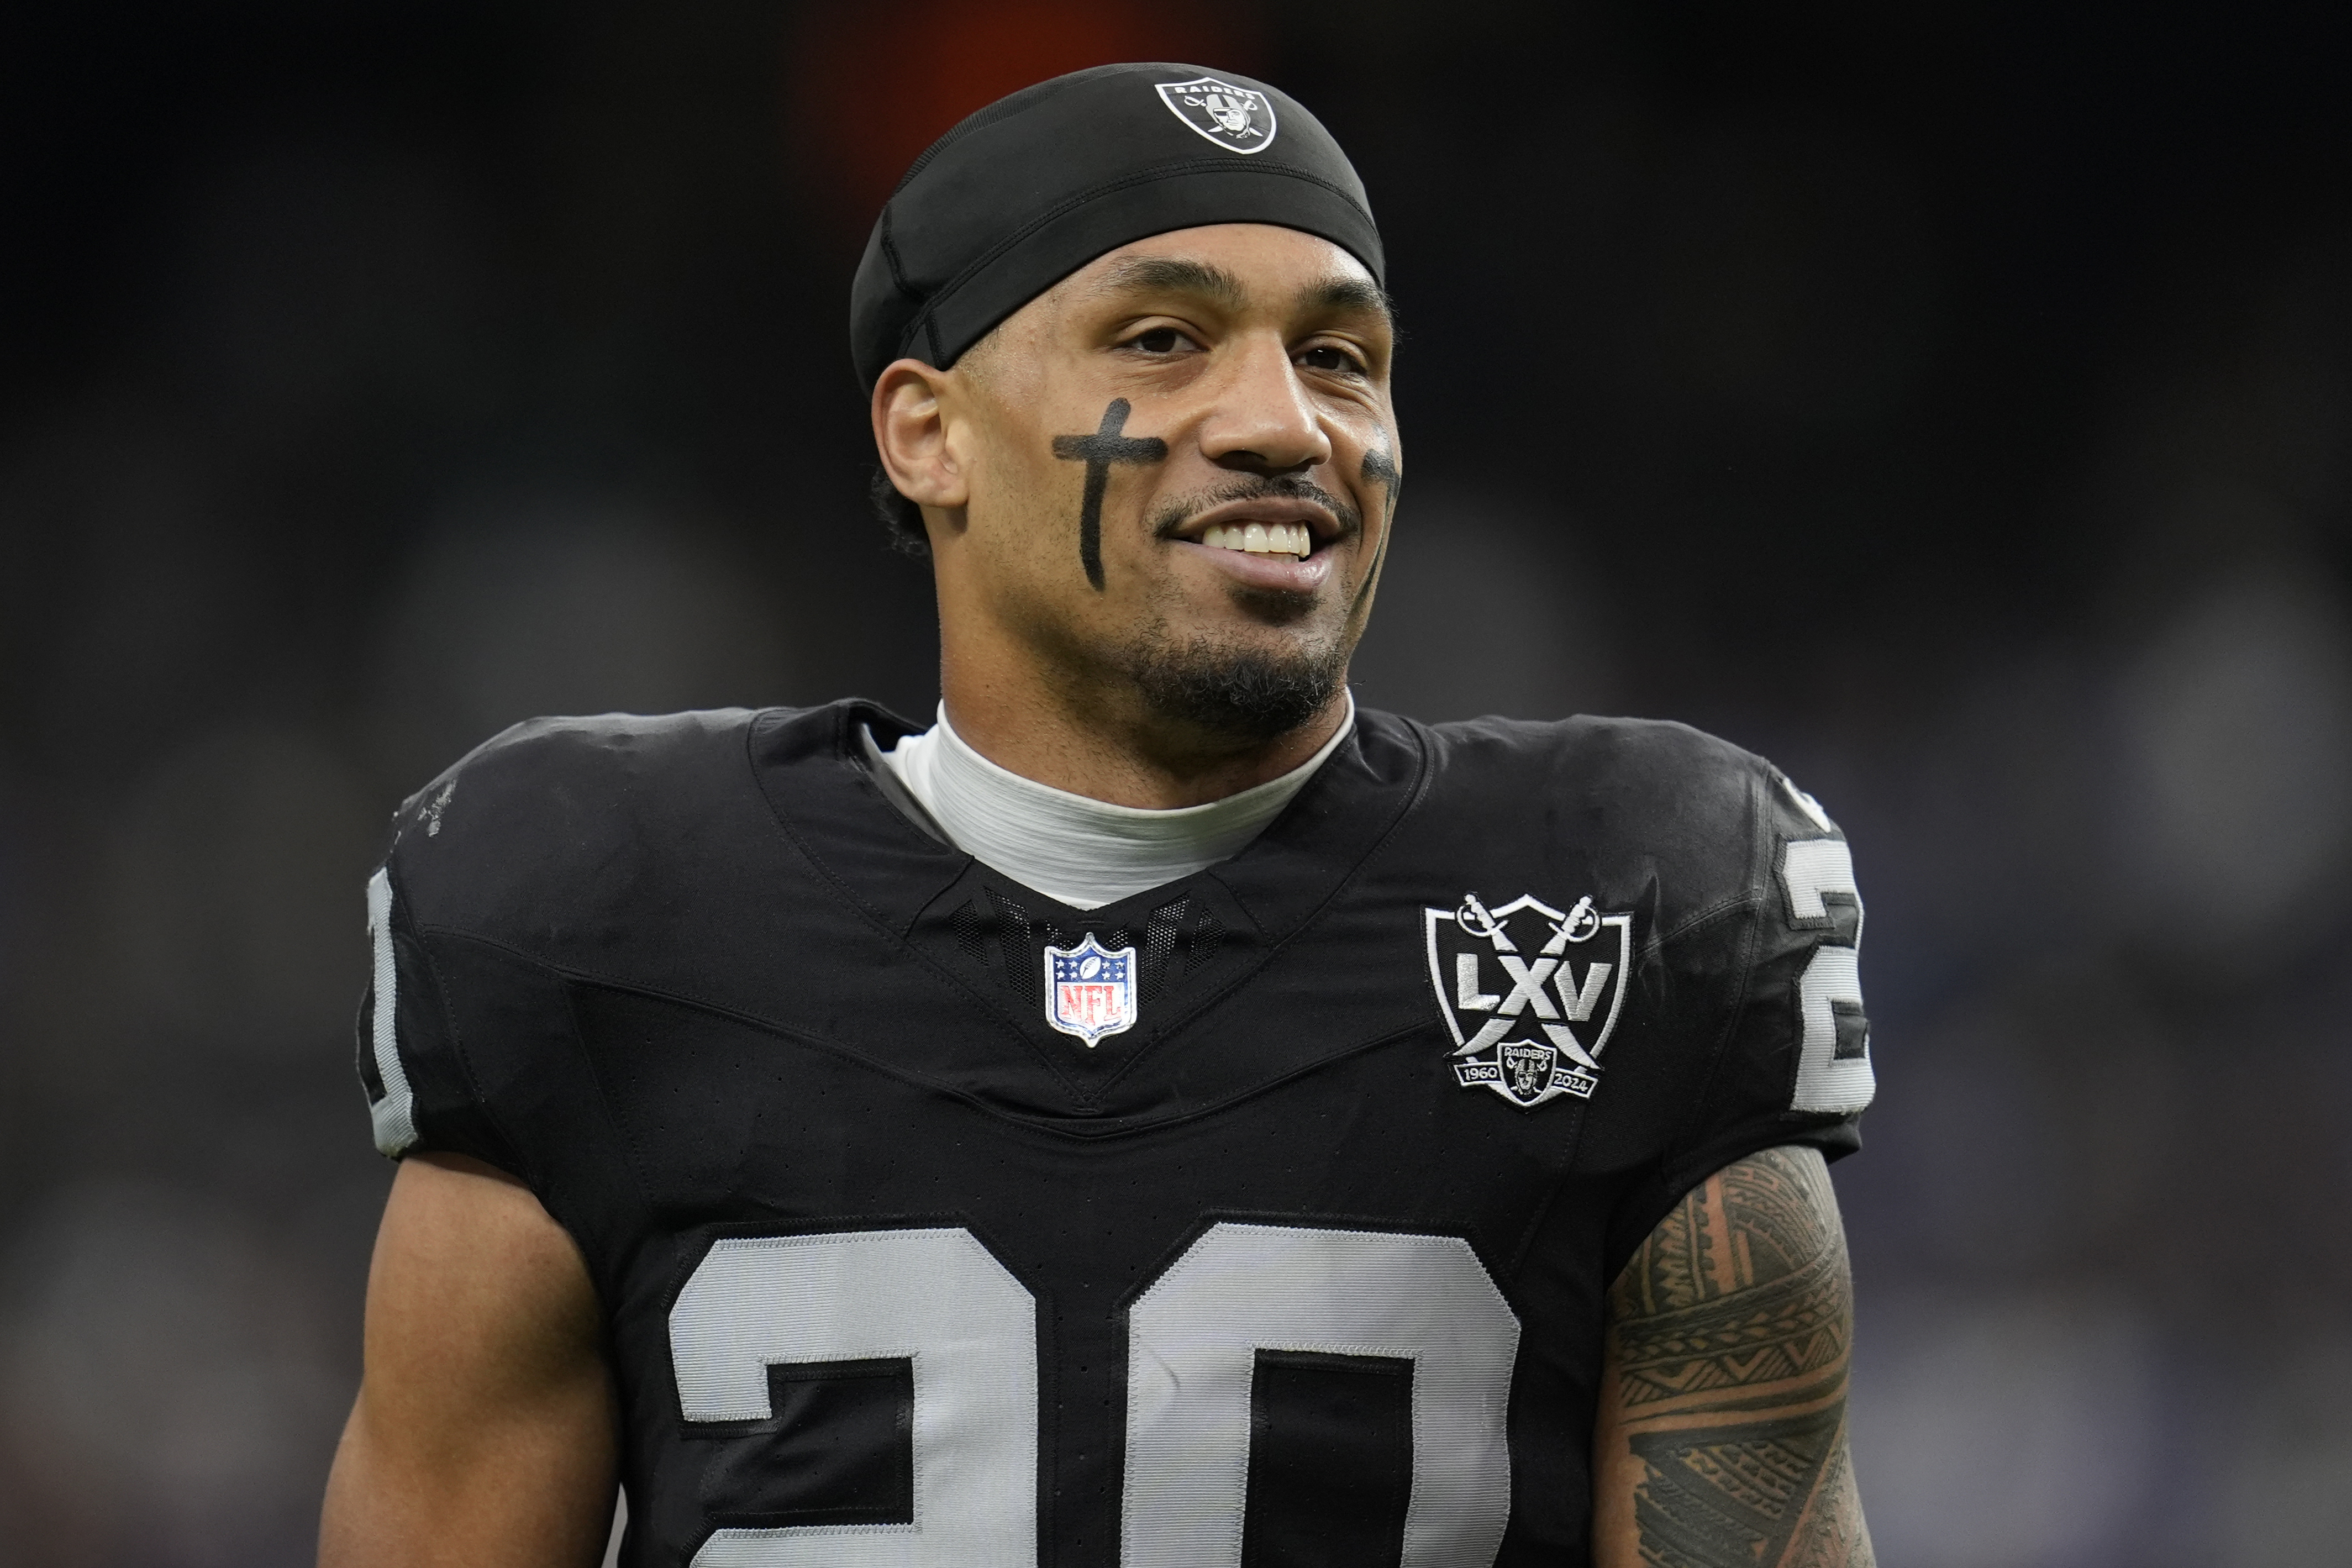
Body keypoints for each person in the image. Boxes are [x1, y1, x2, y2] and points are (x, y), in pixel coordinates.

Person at [318, 62, 1877, 1568]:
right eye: (1161, 338)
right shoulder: (591, 904)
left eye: (1340, 358)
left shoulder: (1639, 892)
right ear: (927, 433)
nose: (1285, 423)